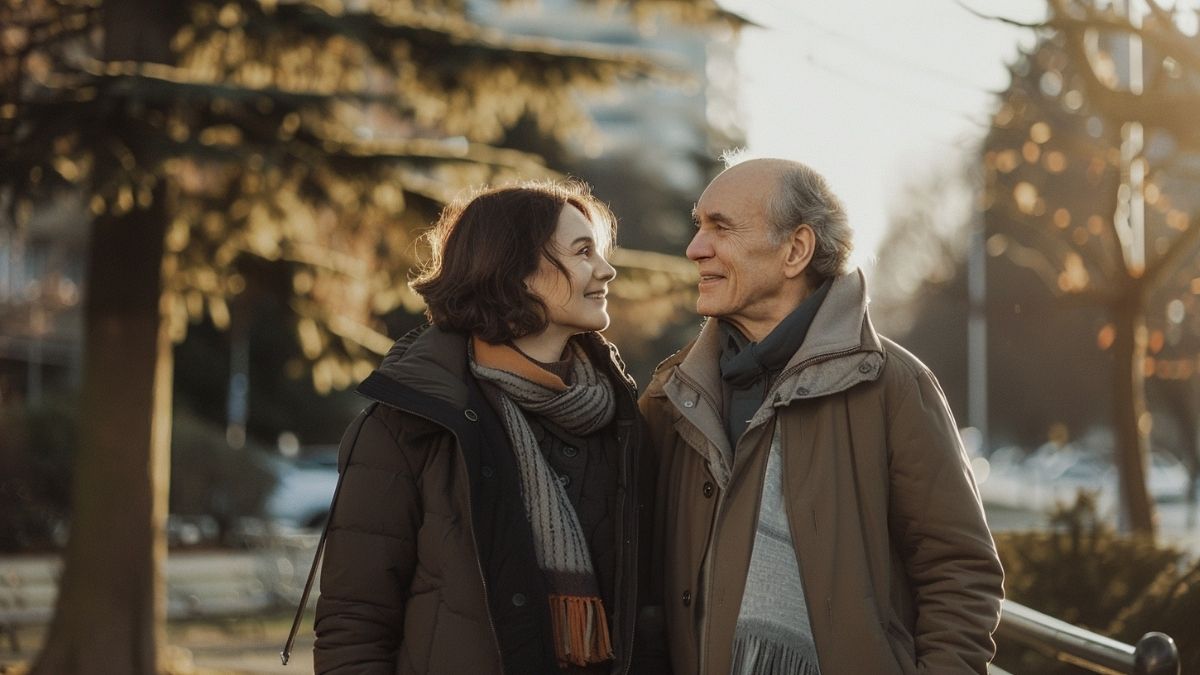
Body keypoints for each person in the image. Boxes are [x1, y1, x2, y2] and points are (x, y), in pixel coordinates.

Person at [640, 158, 1005, 675]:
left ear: (796, 250)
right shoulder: (673, 396)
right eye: (699, 225)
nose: (695, 248)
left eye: (721, 227)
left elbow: (960, 573)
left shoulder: (893, 386)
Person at [312, 181, 657, 674]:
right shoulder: (410, 424)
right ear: (515, 270)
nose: (606, 270)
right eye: (583, 252)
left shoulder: (623, 422)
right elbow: (354, 624)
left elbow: (652, 611)